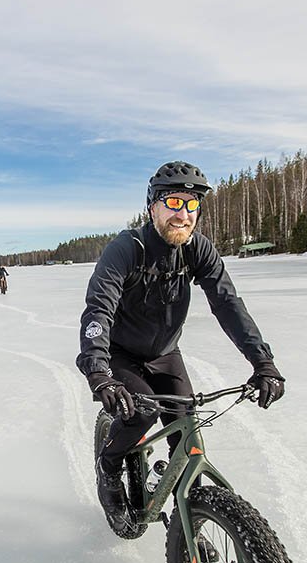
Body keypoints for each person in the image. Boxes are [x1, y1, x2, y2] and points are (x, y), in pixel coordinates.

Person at [76, 161, 285, 534]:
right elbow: (99, 309)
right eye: (173, 202)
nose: (182, 214)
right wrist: (99, 372)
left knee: (187, 437)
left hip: (165, 354)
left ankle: (193, 525)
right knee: (140, 414)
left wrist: (263, 361)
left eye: (191, 205)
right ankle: (108, 467)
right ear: (153, 206)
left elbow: (228, 304)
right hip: (121, 354)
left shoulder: (197, 250)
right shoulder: (127, 249)